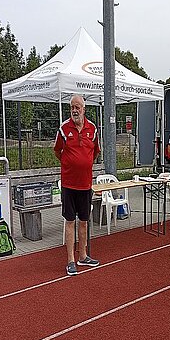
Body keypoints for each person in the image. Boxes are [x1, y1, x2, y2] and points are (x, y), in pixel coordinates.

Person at [54, 95, 100, 276]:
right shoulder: (64, 129)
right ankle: (70, 261)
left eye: (77, 107)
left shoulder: (92, 129)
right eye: (72, 107)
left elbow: (95, 152)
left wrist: (84, 164)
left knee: (84, 221)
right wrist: (70, 164)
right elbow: (57, 151)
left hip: (85, 184)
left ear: (84, 109)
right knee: (70, 221)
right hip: (69, 185)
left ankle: (83, 256)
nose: (74, 110)